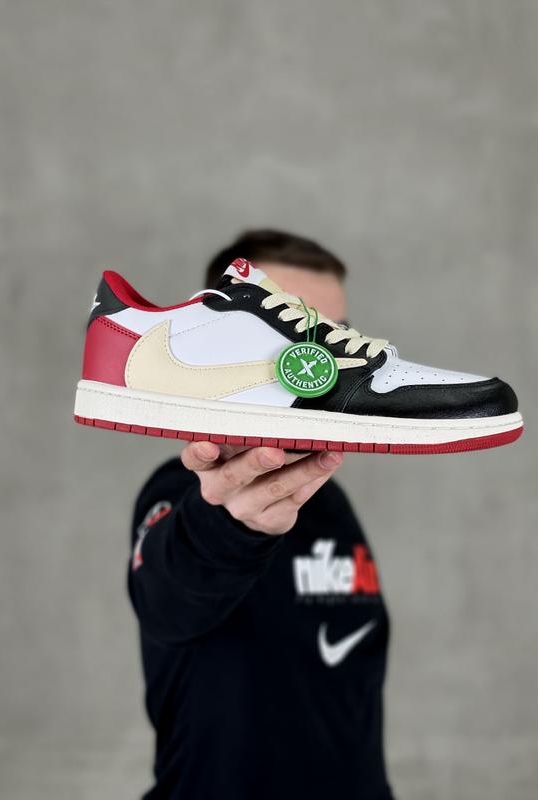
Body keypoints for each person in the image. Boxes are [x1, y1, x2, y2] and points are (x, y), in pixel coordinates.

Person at [129, 229, 395, 800]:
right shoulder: (184, 490)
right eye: (296, 331)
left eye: (336, 334)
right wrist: (228, 526)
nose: (329, 359)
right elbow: (168, 597)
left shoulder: (328, 499)